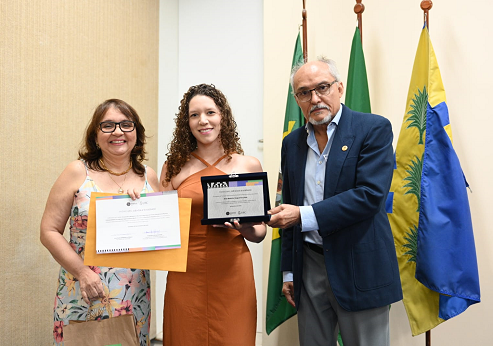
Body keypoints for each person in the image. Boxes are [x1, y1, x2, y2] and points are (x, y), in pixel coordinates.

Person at [267, 57, 402, 346]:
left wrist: (303, 215)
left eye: (323, 87)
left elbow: (369, 196)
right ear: (297, 99)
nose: (315, 98)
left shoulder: (373, 129)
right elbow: (290, 202)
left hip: (360, 263)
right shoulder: (292, 143)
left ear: (339, 88)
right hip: (310, 264)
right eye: (304, 92)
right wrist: (289, 270)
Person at [40, 99, 159, 346]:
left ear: (137, 133)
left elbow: (160, 233)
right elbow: (48, 230)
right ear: (96, 135)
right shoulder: (77, 172)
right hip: (83, 289)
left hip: (132, 293)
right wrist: (82, 272)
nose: (118, 131)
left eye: (126, 125)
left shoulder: (149, 177)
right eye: (108, 125)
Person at [160, 84, 266, 346]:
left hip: (232, 268)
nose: (203, 120)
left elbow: (260, 232)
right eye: (194, 115)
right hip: (185, 271)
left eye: (210, 112)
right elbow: (161, 225)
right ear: (186, 123)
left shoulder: (248, 164)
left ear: (223, 117)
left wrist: (243, 228)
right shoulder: (172, 167)